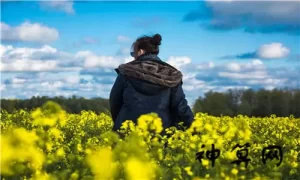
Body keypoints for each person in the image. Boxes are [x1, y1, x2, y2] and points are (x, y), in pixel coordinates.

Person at [109, 33, 194, 132]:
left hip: (127, 133)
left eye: (133, 54)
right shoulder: (171, 75)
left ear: (140, 52)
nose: (133, 57)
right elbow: (181, 107)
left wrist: (120, 125)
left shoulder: (126, 72)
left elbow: (115, 102)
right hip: (160, 134)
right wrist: (196, 129)